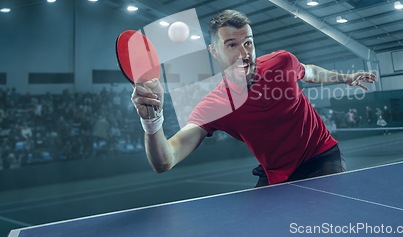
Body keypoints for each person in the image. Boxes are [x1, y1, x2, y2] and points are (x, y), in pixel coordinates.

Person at [131, 10, 376, 187]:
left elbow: (310, 71)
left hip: (320, 157)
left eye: (248, 43)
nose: (244, 53)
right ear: (214, 51)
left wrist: (345, 77)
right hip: (275, 172)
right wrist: (152, 121)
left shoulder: (282, 62)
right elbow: (165, 161)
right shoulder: (215, 105)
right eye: (232, 45)